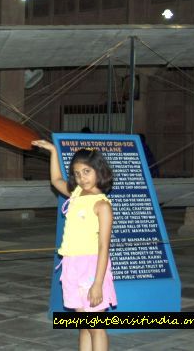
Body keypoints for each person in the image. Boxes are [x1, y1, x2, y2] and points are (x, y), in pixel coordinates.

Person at [32, 140, 116, 351]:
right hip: (72, 265)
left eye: (87, 171)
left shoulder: (102, 205)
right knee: (84, 325)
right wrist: (52, 151)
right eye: (77, 173)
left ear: (99, 171)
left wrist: (98, 283)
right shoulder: (77, 193)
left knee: (96, 327)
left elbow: (104, 247)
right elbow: (56, 179)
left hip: (92, 267)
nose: (82, 178)